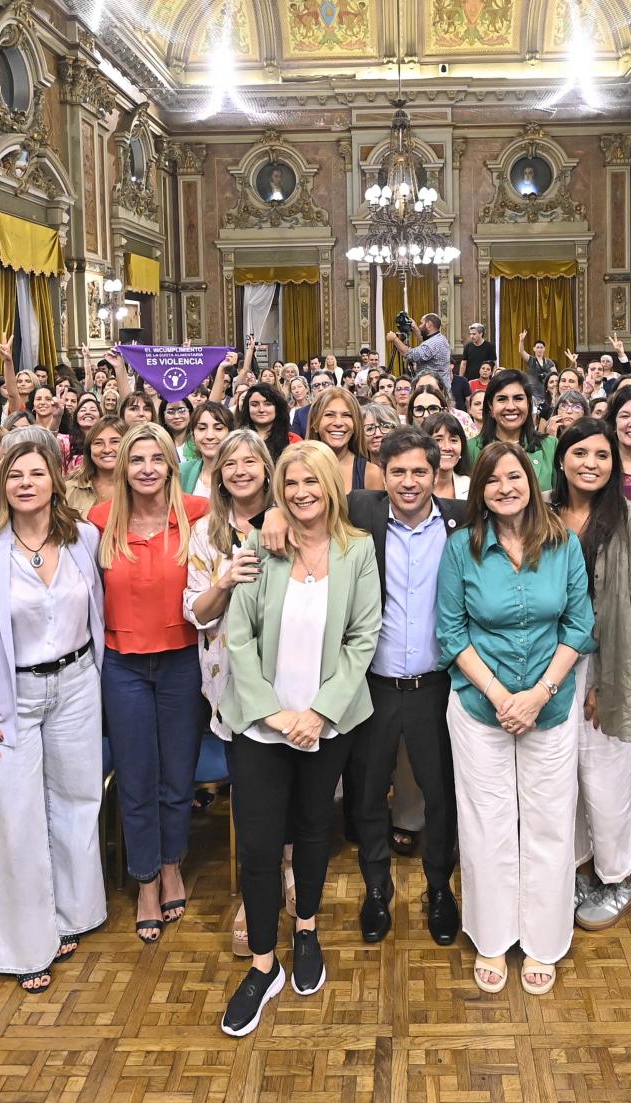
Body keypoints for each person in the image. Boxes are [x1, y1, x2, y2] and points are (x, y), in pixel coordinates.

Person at [218, 441, 380, 1035]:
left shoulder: (357, 551)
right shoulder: (265, 545)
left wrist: (318, 712)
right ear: (279, 492)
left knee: (315, 829)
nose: (302, 492)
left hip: (328, 722)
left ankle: (306, 928)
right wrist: (276, 714)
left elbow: (363, 637)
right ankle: (264, 963)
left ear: (330, 486)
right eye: (291, 484)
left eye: (313, 481)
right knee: (260, 846)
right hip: (261, 727)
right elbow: (238, 637)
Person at [439, 441, 594, 996]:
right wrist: (504, 695)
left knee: (551, 821)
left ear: (532, 480)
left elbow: (579, 627)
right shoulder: (462, 548)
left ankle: (544, 941)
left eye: (515, 477)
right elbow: (451, 631)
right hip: (481, 707)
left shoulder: (564, 545)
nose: (505, 487)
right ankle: (491, 935)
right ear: (478, 490)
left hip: (549, 708)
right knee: (488, 824)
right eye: (492, 480)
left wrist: (538, 694)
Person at [0, 430, 106, 993]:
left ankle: (70, 916)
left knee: (75, 803)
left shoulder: (83, 539)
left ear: (55, 480)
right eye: (15, 474)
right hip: (8, 696)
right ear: (2, 483)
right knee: (16, 815)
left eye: (36, 473)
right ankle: (23, 946)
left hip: (75, 683)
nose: (25, 483)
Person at [341, 428, 465, 946]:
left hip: (438, 686)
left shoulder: (462, 522)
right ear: (381, 474)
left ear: (436, 473)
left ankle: (440, 888)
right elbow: (292, 499)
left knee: (442, 797)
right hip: (373, 686)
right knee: (368, 796)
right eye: (398, 472)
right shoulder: (361, 513)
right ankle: (376, 889)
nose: (408, 482)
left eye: (419, 471)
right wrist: (276, 515)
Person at [90, 423, 209, 944]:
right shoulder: (99, 521)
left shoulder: (199, 514)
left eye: (156, 459)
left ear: (170, 464)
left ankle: (171, 864)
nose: (145, 468)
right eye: (135, 459)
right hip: (123, 666)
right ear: (122, 466)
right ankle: (144, 881)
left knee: (177, 776)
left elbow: (259, 514)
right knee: (137, 778)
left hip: (183, 662)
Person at [551, 418, 631, 931]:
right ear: (562, 458)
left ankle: (619, 875)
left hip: (607, 663)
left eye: (602, 455)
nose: (590, 464)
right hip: (546, 665)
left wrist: (608, 679)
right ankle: (574, 868)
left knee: (607, 775)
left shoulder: (629, 519)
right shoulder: (542, 512)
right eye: (580, 453)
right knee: (558, 774)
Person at [184, 429, 278, 955]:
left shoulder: (291, 518)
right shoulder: (206, 534)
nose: (240, 470)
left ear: (266, 467)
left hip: (289, 677)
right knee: (248, 792)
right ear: (218, 474)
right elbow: (195, 613)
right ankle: (253, 890)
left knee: (287, 781)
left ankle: (286, 867)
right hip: (231, 681)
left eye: (250, 461)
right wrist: (224, 581)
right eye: (229, 464)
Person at [467, 368, 559, 491]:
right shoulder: (470, 449)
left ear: (528, 403)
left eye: (518, 398)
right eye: (502, 399)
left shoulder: (550, 447)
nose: (510, 407)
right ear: (490, 406)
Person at [306, 386, 375, 494]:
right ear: (315, 423)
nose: (338, 423)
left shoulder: (371, 473)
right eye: (329, 415)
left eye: (347, 415)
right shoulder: (299, 469)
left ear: (356, 424)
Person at [65, 419, 123, 517]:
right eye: (98, 443)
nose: (107, 449)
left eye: (115, 441)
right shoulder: (68, 489)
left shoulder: (139, 490)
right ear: (89, 450)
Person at [179, 403, 234, 498]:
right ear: (193, 434)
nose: (209, 436)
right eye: (202, 428)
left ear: (230, 433)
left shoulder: (240, 472)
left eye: (218, 428)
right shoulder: (181, 471)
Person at [390, 313, 452, 390]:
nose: (419, 326)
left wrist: (394, 339)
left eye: (421, 323)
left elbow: (411, 355)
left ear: (428, 324)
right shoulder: (440, 338)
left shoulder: (433, 343)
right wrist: (415, 328)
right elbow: (425, 341)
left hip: (432, 391)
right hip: (437, 388)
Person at [242, 383, 297, 459]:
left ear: (277, 408)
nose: (261, 409)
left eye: (267, 404)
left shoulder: (294, 441)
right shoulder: (237, 440)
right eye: (254, 405)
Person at [456, 322, 494, 408]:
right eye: (470, 334)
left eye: (474, 334)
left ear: (481, 334)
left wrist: (493, 378)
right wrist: (461, 378)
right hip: (470, 380)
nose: (471, 336)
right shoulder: (468, 347)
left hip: (485, 381)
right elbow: (463, 363)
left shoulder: (490, 346)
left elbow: (493, 364)